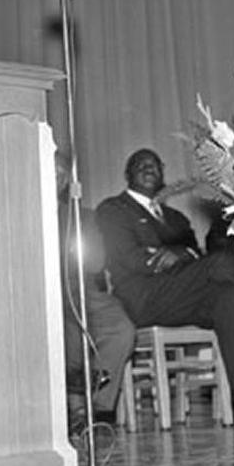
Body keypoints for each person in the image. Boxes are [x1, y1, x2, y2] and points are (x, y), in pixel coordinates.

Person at [96, 148, 234, 431]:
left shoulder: (176, 218)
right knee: (225, 262)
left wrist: (180, 254)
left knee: (228, 295)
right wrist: (179, 256)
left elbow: (194, 254)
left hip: (179, 295)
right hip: (141, 298)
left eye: (155, 164)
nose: (149, 168)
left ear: (163, 173)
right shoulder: (113, 209)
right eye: (141, 164)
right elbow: (130, 258)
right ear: (127, 174)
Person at [55, 154, 136, 433]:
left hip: (80, 287)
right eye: (51, 170)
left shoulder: (81, 217)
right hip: (39, 291)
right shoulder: (19, 210)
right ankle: (72, 406)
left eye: (62, 174)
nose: (57, 177)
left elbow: (96, 262)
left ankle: (100, 408)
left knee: (121, 328)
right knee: (67, 328)